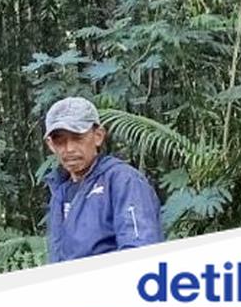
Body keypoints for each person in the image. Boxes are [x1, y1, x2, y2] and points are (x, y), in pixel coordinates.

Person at [42, 96, 163, 263]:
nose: (69, 149)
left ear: (98, 136)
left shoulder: (123, 181)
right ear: (50, 145)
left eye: (77, 138)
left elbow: (140, 251)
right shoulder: (60, 190)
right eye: (60, 141)